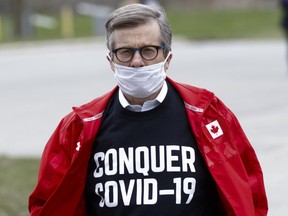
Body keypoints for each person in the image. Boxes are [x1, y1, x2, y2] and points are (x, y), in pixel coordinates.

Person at [28, 3, 268, 216]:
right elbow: (47, 203)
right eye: (124, 52)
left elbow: (249, 193)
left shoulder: (209, 115)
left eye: (148, 50)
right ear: (111, 61)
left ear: (168, 57)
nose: (136, 61)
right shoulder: (78, 128)